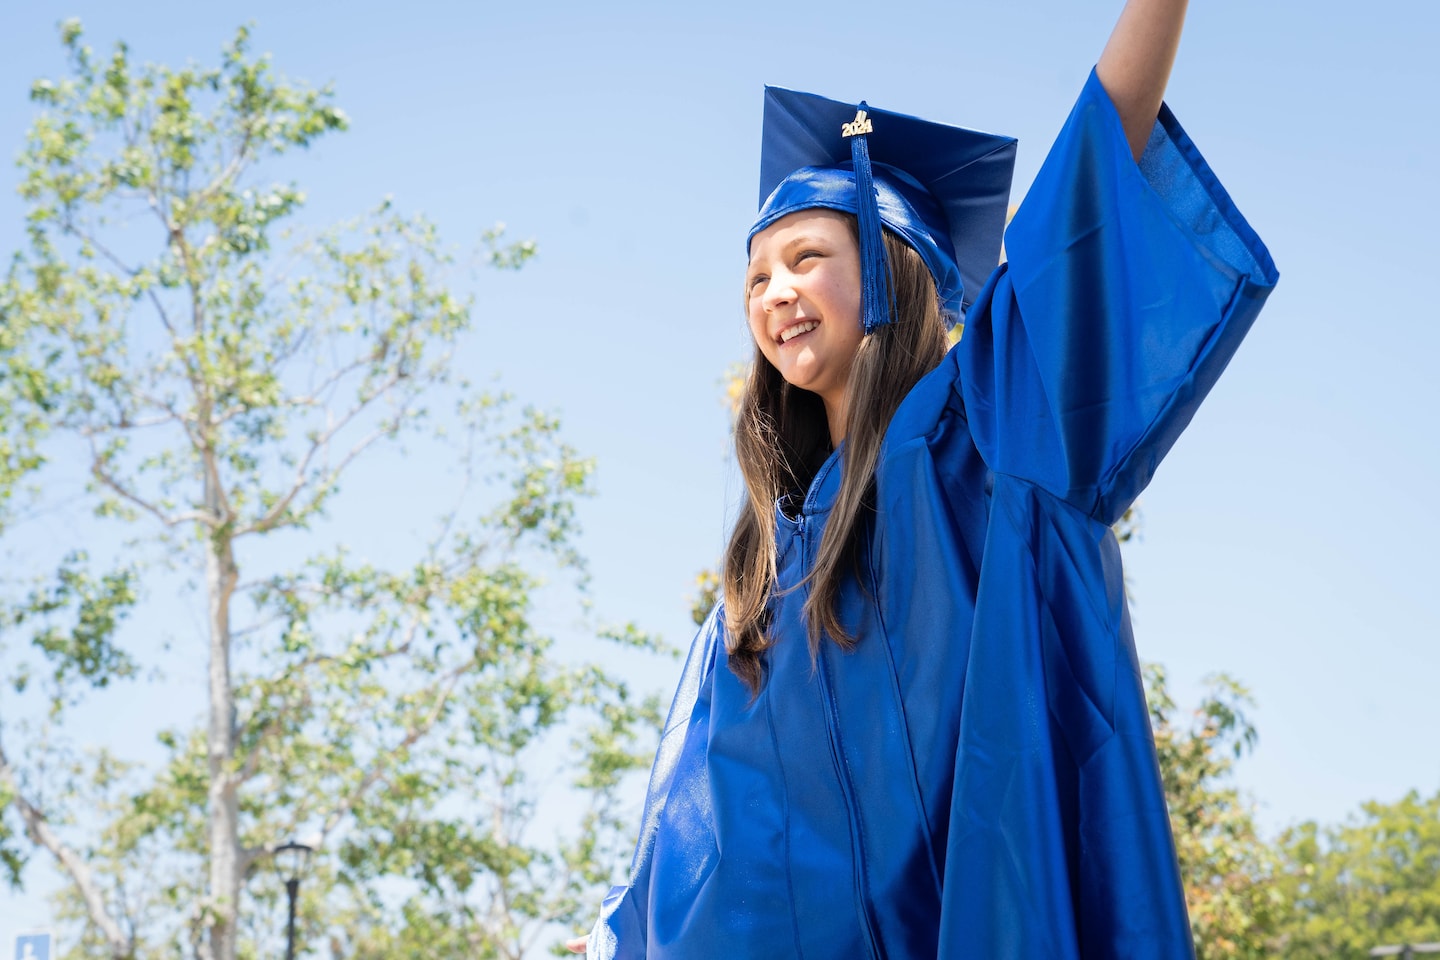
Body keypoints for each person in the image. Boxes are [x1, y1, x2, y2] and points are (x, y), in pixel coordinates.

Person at [570, 0, 1278, 955]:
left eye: (806, 257)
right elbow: (686, 830)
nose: (774, 291)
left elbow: (1094, 164)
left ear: (894, 271)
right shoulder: (761, 581)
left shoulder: (982, 433)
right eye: (755, 278)